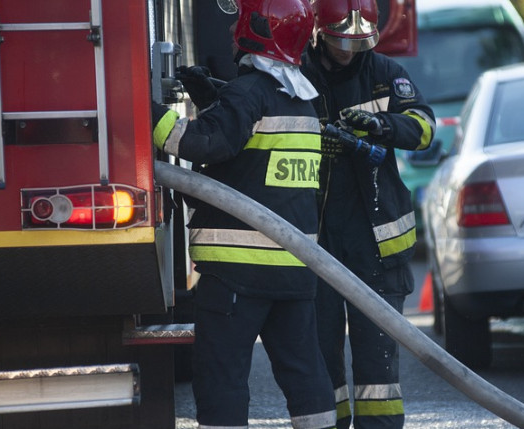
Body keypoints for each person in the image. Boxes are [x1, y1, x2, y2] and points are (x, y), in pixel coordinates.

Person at [150, 0, 336, 426]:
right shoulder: (302, 102)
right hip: (295, 271)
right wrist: (215, 98)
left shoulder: (248, 94)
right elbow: (256, 159)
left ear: (252, 27)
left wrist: (146, 112)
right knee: (305, 372)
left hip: (238, 273)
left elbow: (200, 143)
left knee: (223, 377)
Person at [300, 0, 435, 427]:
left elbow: (425, 127)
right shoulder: (298, 75)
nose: (349, 50)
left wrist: (383, 127)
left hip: (376, 245)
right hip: (316, 242)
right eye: (341, 40)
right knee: (322, 362)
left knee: (379, 367)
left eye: (357, 41)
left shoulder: (384, 73)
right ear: (321, 31)